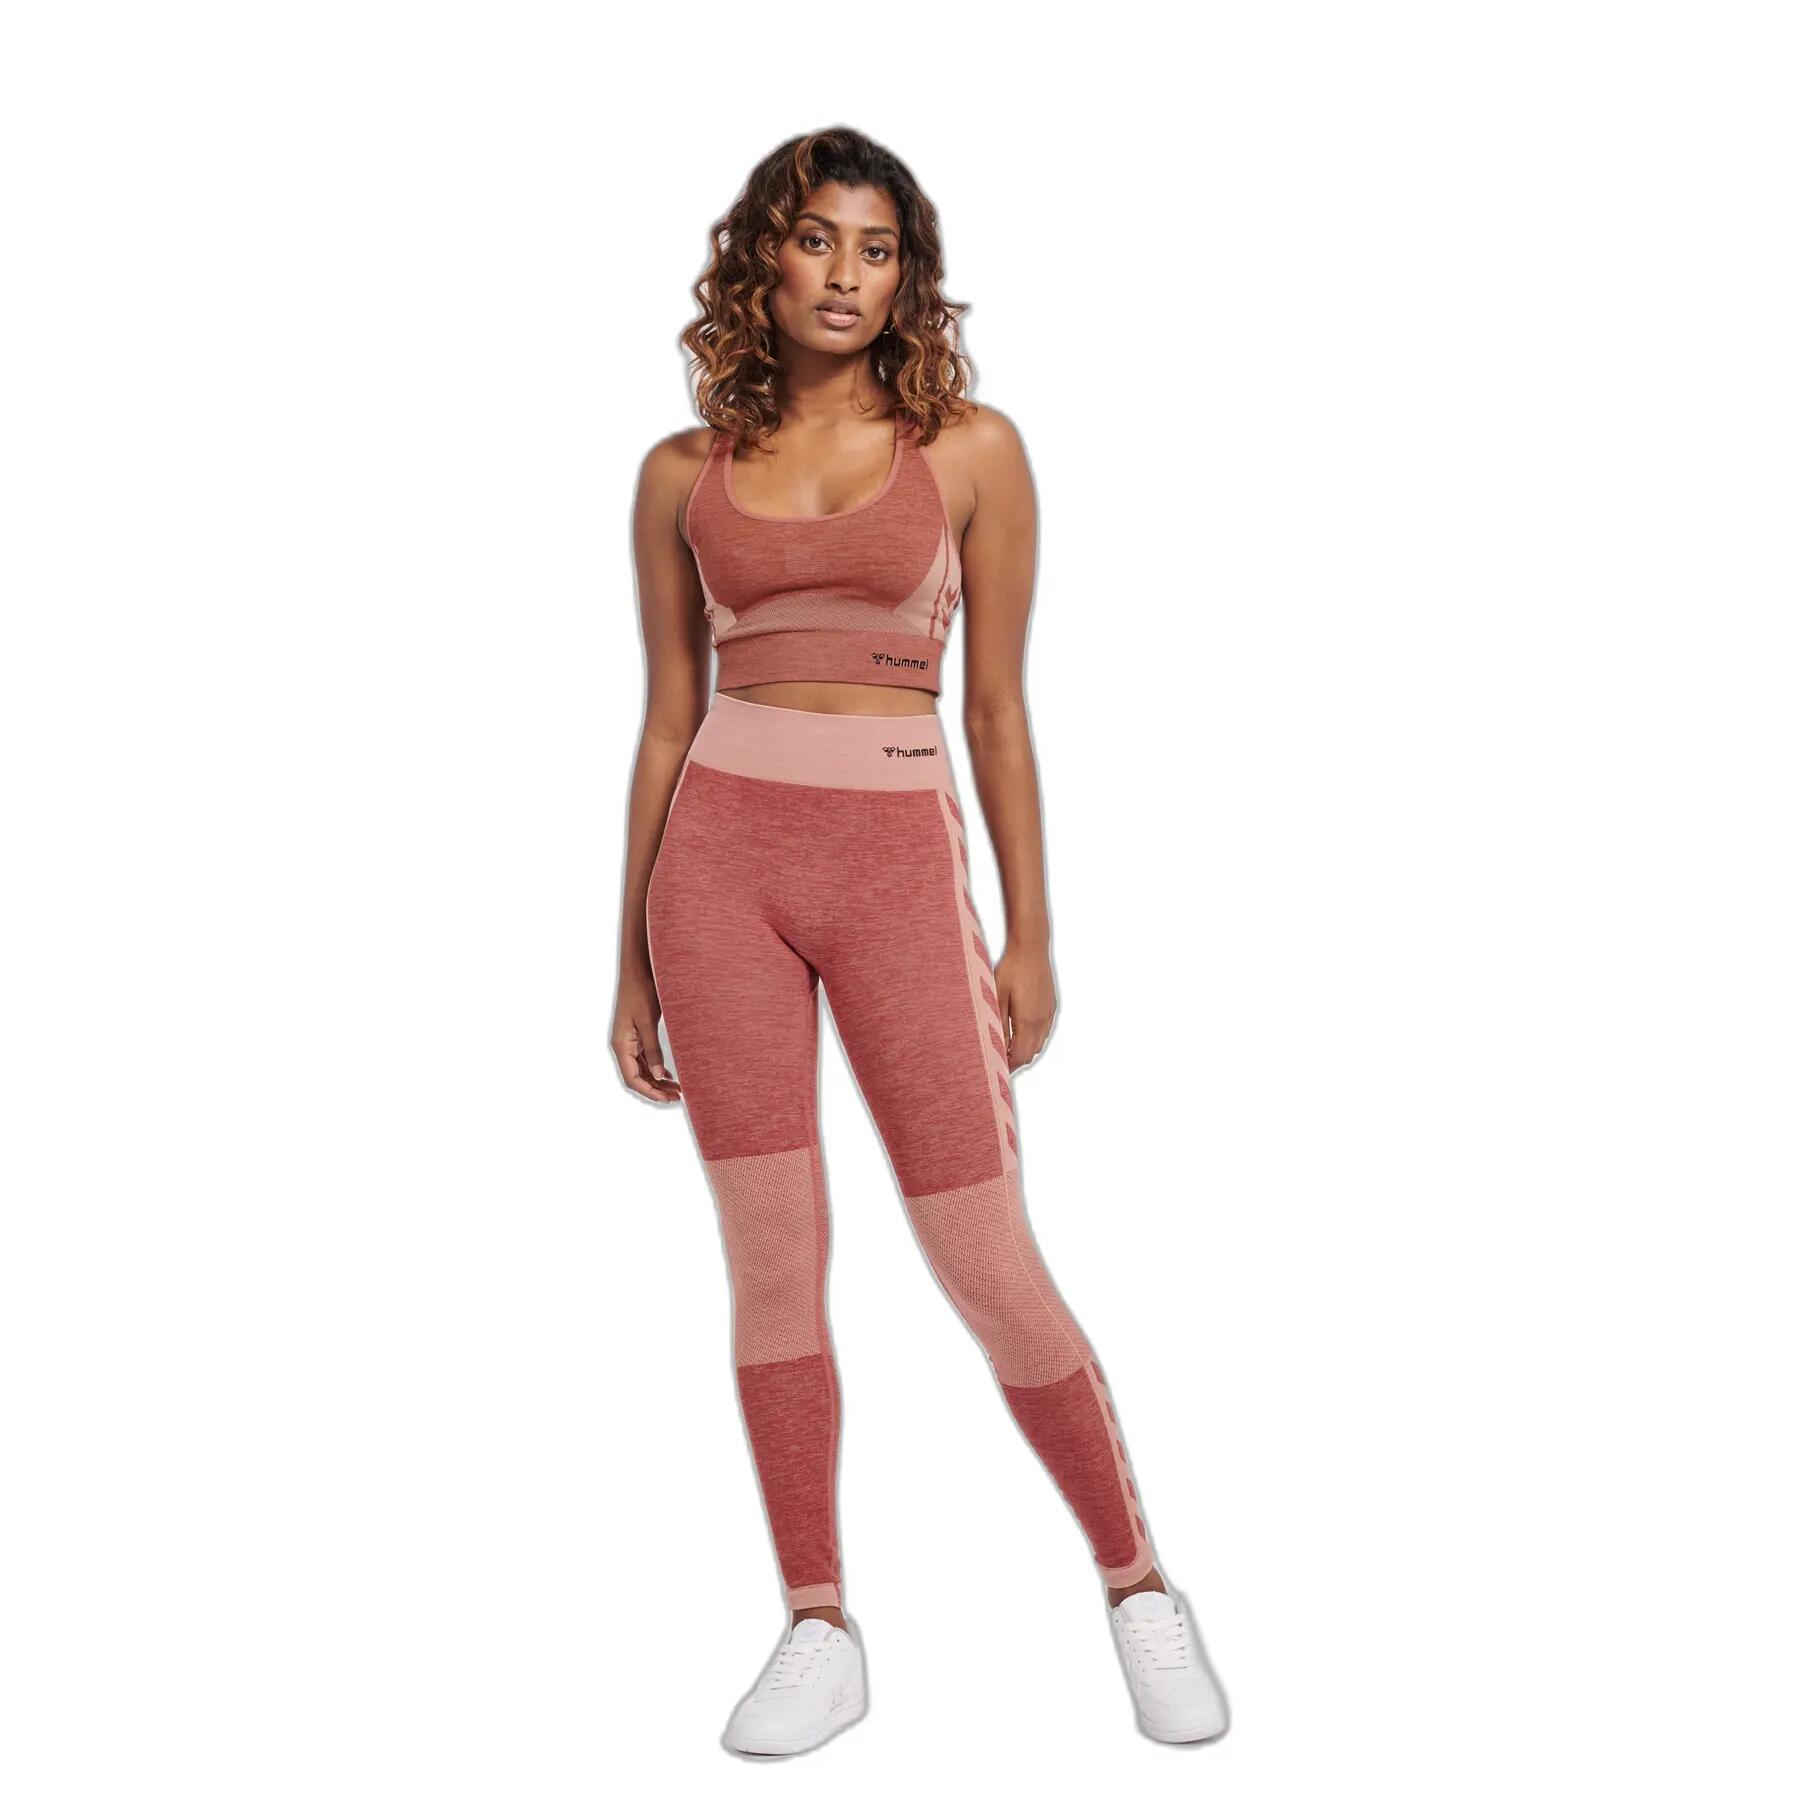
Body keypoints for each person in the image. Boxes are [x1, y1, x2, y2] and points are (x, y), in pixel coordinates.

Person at [613, 126, 1229, 1756]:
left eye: (877, 248)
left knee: (983, 1254)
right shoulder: (680, 473)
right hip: (715, 877)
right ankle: (817, 1621)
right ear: (762, 257)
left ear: (910, 275)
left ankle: (1138, 1582)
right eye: (817, 239)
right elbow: (667, 719)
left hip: (894, 867)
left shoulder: (968, 451)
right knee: (771, 1261)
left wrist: (1032, 936)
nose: (845, 275)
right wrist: (628, 961)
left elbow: (999, 709)